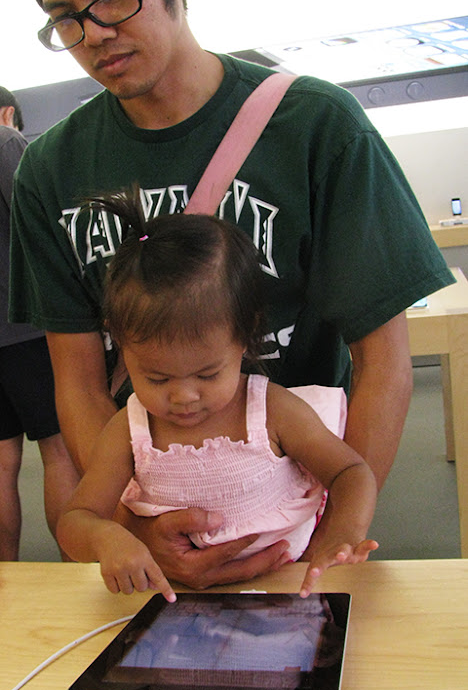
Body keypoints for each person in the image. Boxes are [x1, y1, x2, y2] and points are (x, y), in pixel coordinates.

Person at [10, 0, 453, 587]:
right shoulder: (50, 170)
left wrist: (321, 540)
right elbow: (77, 381)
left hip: (293, 533)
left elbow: (383, 363)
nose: (94, 33)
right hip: (156, 544)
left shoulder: (317, 127)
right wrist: (136, 532)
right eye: (66, 18)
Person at [57, 197, 378, 599]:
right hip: (174, 593)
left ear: (246, 337)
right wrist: (106, 537)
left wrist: (342, 534)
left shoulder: (271, 411)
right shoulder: (131, 430)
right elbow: (75, 520)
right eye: (157, 377)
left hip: (288, 581)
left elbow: (351, 473)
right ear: (121, 344)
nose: (184, 396)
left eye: (207, 374)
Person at [0, 86, 79, 560]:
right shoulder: (6, 141)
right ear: (9, 112)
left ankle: (5, 583)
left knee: (0, 462)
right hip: (25, 327)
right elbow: (41, 227)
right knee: (59, 450)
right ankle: (71, 576)